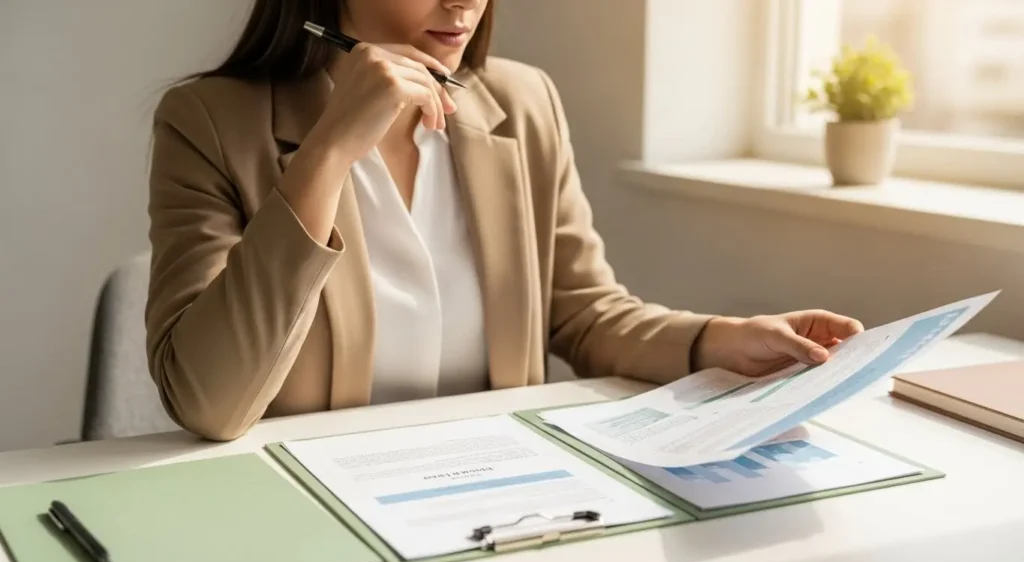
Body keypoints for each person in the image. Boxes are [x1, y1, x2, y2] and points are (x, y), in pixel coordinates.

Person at [145, 0, 864, 442]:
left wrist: (716, 340)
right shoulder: (210, 122)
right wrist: (328, 151)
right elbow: (208, 400)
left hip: (497, 497)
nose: (465, 5)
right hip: (314, 504)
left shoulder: (523, 103)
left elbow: (582, 314)